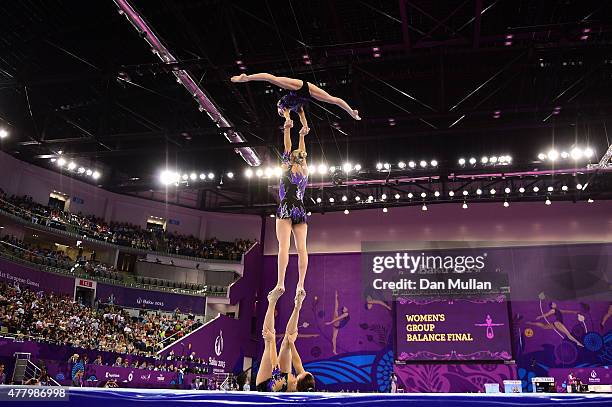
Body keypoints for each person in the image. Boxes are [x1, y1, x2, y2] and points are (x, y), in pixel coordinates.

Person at [271, 116, 310, 299]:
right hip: (300, 210)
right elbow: (301, 152)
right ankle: (300, 285)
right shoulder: (305, 170)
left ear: (289, 159)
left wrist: (287, 129)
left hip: (286, 207)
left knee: (283, 247)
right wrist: (302, 135)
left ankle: (280, 283)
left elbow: (288, 147)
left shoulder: (286, 167)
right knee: (302, 249)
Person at [231, 73, 361, 120]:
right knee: (332, 100)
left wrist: (286, 119)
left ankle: (246, 78)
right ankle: (351, 111)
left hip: (298, 88)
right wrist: (303, 125)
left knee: (272, 79)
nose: (282, 113)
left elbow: (285, 113)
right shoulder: (293, 109)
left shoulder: (281, 105)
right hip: (307, 95)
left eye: (281, 113)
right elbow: (300, 115)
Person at [256, 289, 315, 392]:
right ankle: (297, 307)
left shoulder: (280, 384)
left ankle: (272, 302)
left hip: (267, 384)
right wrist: (292, 343)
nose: (302, 371)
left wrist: (273, 339)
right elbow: (297, 363)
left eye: (301, 374)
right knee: (287, 341)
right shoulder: (304, 383)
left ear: (296, 382)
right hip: (283, 378)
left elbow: (275, 365)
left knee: (269, 343)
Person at [325, 290, 350, 355]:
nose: (346, 308)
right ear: (344, 310)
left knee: (334, 338)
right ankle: (334, 350)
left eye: (345, 307)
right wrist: (330, 323)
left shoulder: (345, 314)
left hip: (337, 325)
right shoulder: (346, 314)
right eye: (345, 308)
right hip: (337, 324)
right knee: (336, 312)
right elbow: (338, 318)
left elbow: (336, 306)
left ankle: (334, 350)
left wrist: (336, 297)